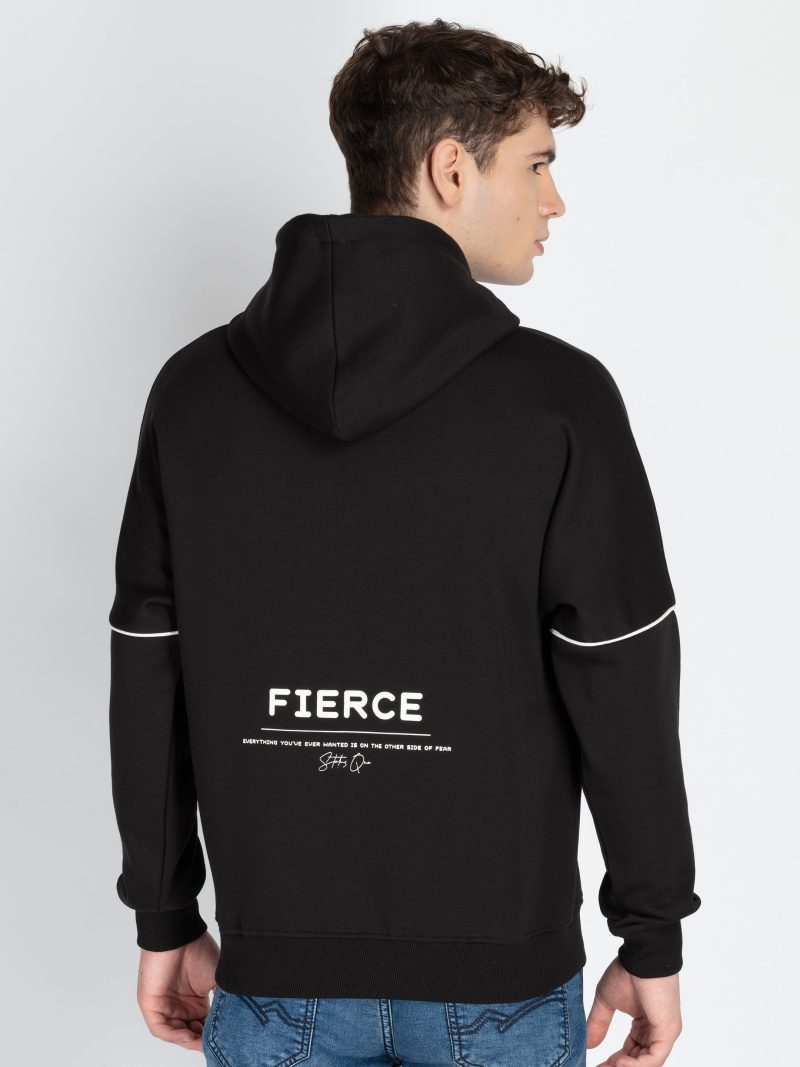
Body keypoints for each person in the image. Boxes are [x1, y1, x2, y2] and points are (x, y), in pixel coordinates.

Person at [108, 18, 702, 1067]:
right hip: (500, 986)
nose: (554, 202)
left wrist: (164, 914)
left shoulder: (194, 394)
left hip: (276, 978)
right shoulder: (556, 401)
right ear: (450, 169)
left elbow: (151, 669)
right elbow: (621, 677)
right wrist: (649, 933)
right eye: (536, 165)